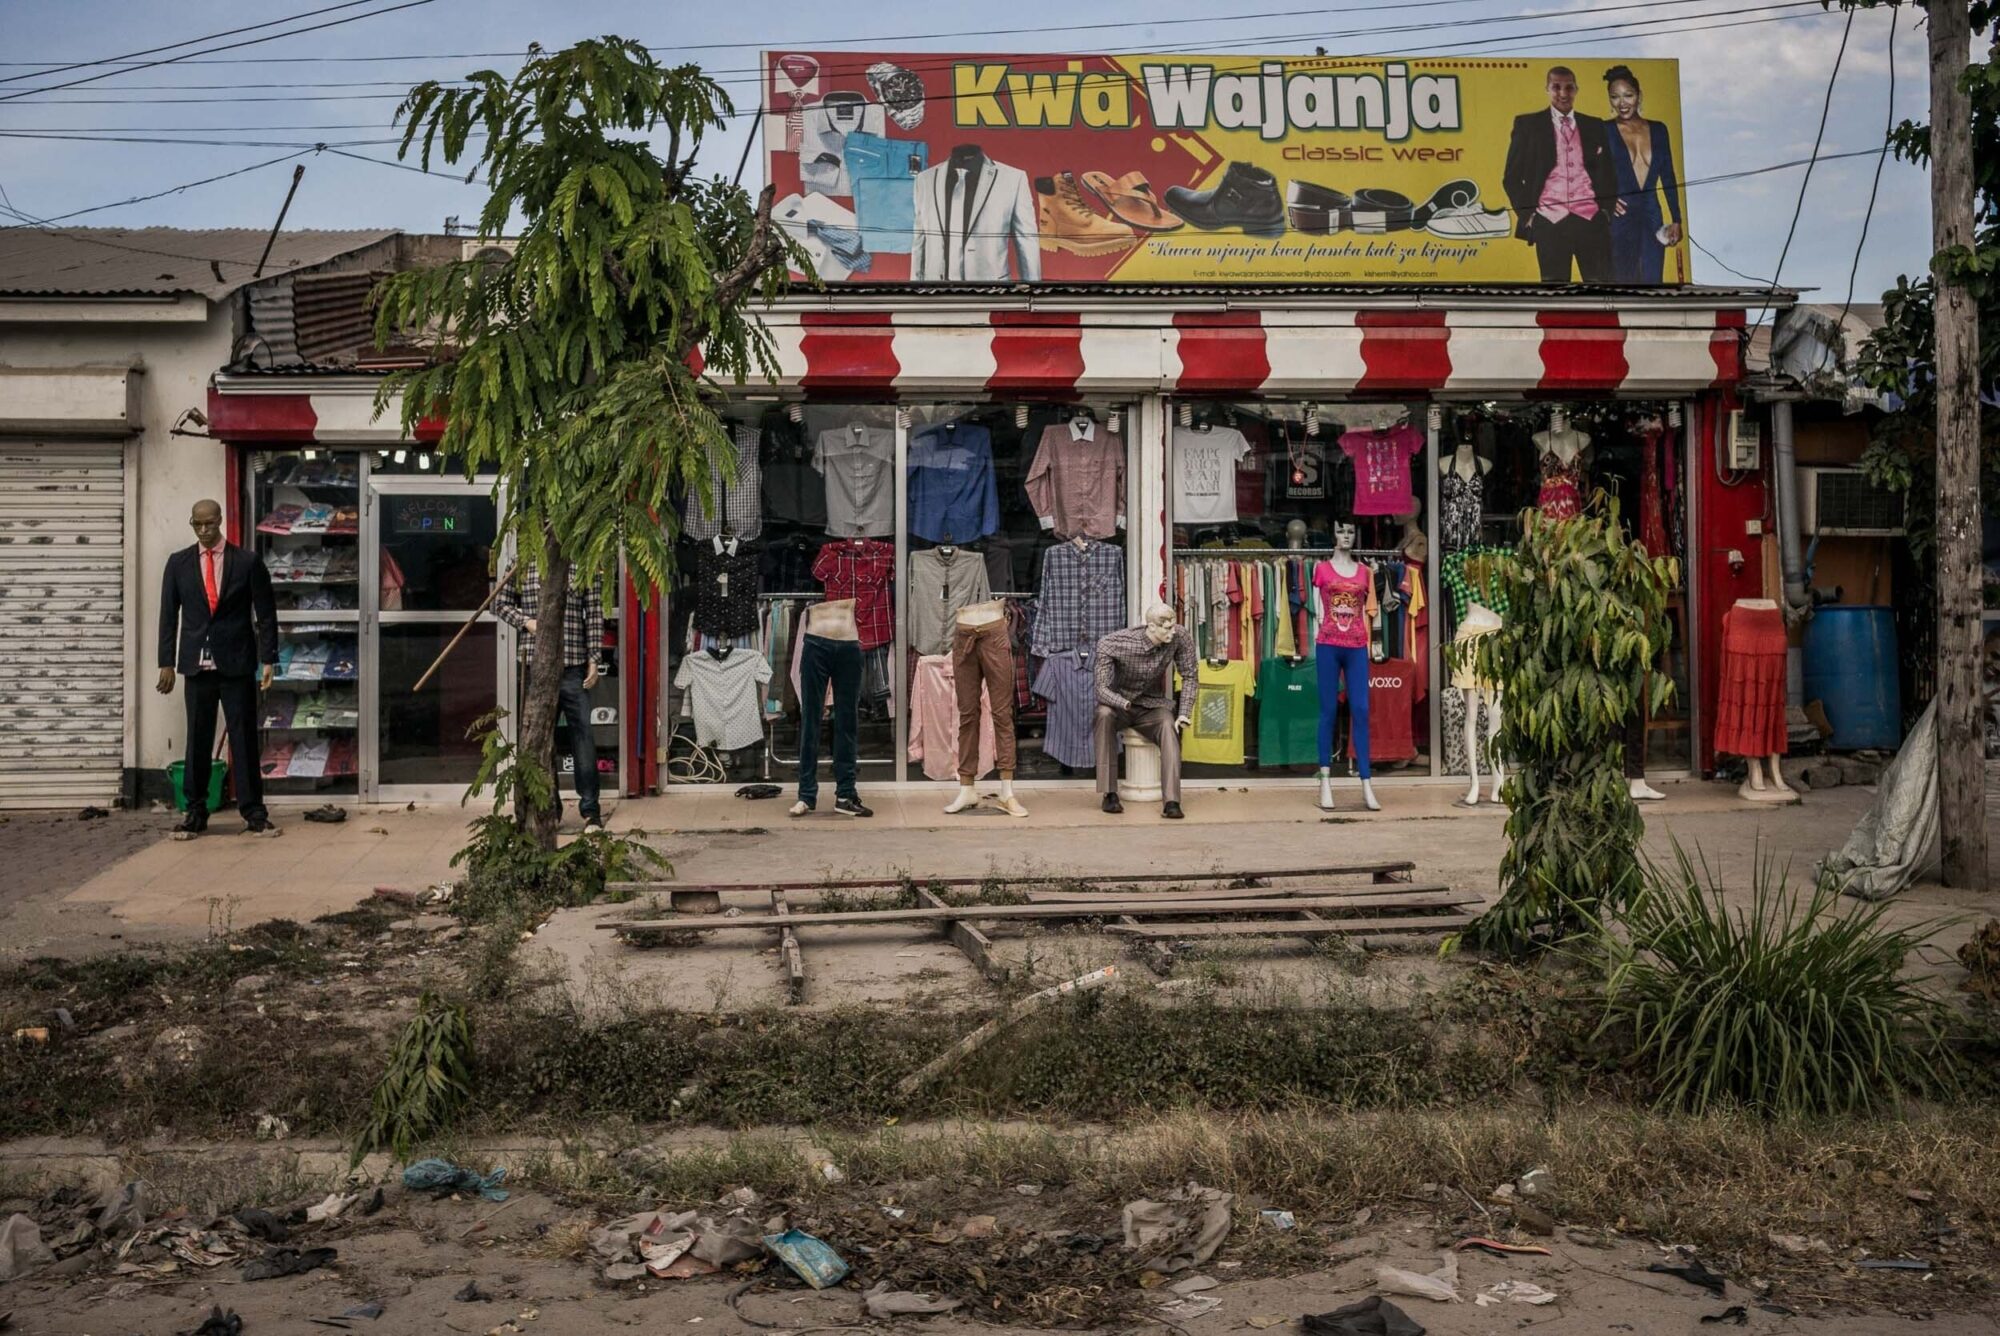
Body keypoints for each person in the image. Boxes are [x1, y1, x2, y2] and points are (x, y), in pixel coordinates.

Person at [156, 499, 279, 839]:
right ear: (192, 523)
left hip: (237, 662)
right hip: (196, 665)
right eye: (198, 524)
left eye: (210, 524)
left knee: (243, 737)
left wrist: (269, 658)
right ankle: (195, 811)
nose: (205, 531)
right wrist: (165, 661)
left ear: (220, 521)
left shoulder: (246, 562)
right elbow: (168, 616)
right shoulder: (179, 563)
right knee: (197, 737)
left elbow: (266, 613)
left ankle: (254, 812)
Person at [495, 569, 606, 831]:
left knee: (583, 736)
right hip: (536, 666)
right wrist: (525, 621)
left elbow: (594, 612)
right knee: (539, 739)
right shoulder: (523, 561)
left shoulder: (580, 560)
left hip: (573, 664)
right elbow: (499, 602)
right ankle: (547, 809)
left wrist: (594, 658)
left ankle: (591, 810)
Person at [1502, 65, 1618, 283]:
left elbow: (1609, 174)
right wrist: (1529, 216)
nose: (1563, 93)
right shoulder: (1528, 125)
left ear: (1576, 89)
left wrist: (1605, 212)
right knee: (1554, 296)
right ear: (1547, 89)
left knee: (1603, 294)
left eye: (1569, 87)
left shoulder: (1594, 125)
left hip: (1591, 220)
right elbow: (1512, 177)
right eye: (1556, 87)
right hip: (1549, 222)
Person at [1600, 65, 1683, 284]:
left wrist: (1676, 219)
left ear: (1639, 96)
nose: (1622, 103)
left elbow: (1668, 176)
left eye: (1628, 95)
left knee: (1652, 282)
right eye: (1614, 97)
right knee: (1622, 283)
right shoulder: (1604, 129)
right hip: (1620, 216)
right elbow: (1589, 170)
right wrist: (1606, 198)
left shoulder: (1659, 129)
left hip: (1651, 214)